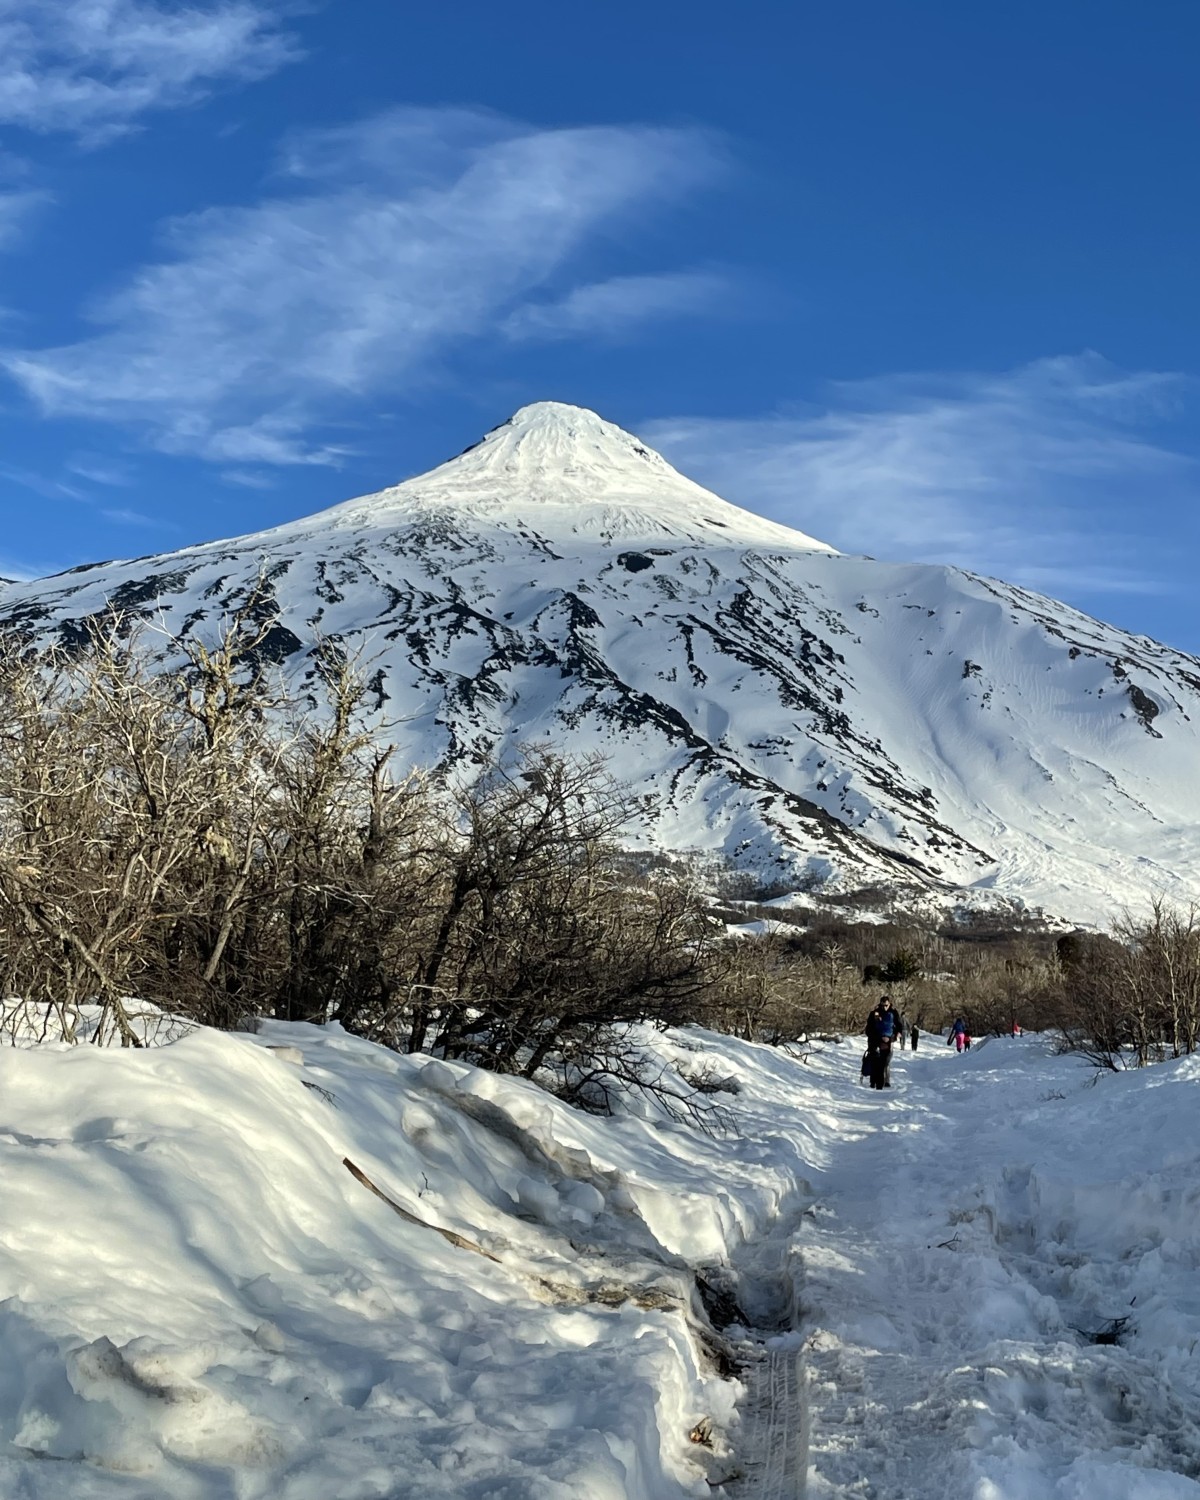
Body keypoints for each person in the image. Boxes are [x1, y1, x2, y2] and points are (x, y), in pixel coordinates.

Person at [864, 1003, 891, 1090]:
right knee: (879, 1063)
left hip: (877, 1042)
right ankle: (877, 1083)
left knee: (877, 1063)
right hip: (878, 1042)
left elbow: (868, 1030)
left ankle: (875, 1082)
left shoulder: (886, 1016)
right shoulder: (882, 1016)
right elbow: (869, 1029)